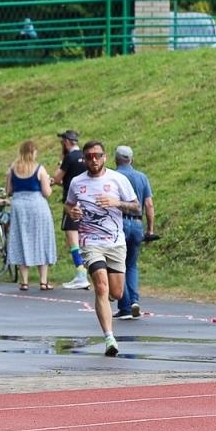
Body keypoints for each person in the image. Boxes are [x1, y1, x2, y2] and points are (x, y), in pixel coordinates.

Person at [65, 140, 139, 356]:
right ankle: (109, 338)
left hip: (115, 242)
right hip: (90, 242)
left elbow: (135, 206)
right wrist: (73, 212)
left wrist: (116, 203)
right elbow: (69, 204)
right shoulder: (77, 182)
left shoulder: (118, 179)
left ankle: (107, 306)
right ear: (85, 159)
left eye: (97, 155)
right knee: (101, 286)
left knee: (116, 292)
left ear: (105, 157)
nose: (93, 160)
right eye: (88, 156)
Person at [6, 139, 55, 291]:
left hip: (19, 206)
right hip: (37, 205)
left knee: (22, 239)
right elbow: (46, 192)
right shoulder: (39, 169)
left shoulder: (12, 169)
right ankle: (43, 280)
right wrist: (49, 183)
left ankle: (24, 281)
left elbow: (9, 190)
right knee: (41, 239)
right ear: (33, 153)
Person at [112, 145, 155, 320]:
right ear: (131, 159)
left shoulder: (113, 177)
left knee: (117, 265)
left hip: (118, 222)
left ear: (116, 159)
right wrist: (150, 228)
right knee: (131, 264)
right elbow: (149, 205)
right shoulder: (142, 177)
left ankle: (125, 306)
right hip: (137, 223)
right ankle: (134, 300)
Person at [53, 129, 89, 288]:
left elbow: (56, 179)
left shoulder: (69, 158)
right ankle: (87, 271)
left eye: (62, 142)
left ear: (67, 142)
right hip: (87, 202)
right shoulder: (85, 156)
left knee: (73, 239)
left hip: (72, 203)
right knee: (84, 239)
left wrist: (60, 165)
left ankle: (81, 273)